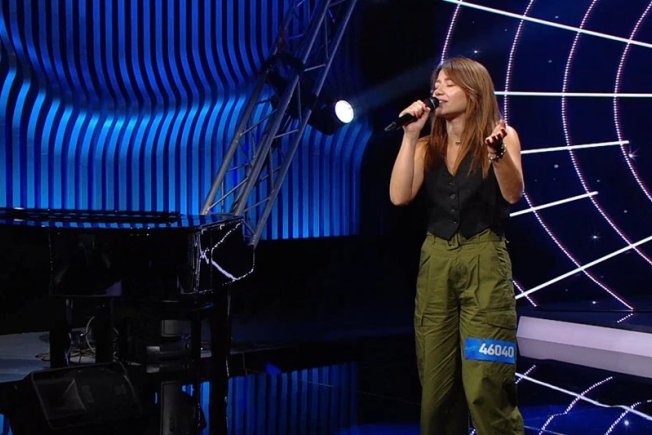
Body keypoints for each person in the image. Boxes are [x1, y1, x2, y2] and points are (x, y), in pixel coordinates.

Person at [389, 57, 525, 435]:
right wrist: (410, 135)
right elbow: (399, 196)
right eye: (437, 83)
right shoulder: (427, 146)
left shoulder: (503, 136)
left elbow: (513, 194)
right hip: (436, 260)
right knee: (437, 385)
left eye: (449, 83)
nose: (439, 89)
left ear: (474, 91)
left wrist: (497, 155)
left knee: (486, 382)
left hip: (484, 260)